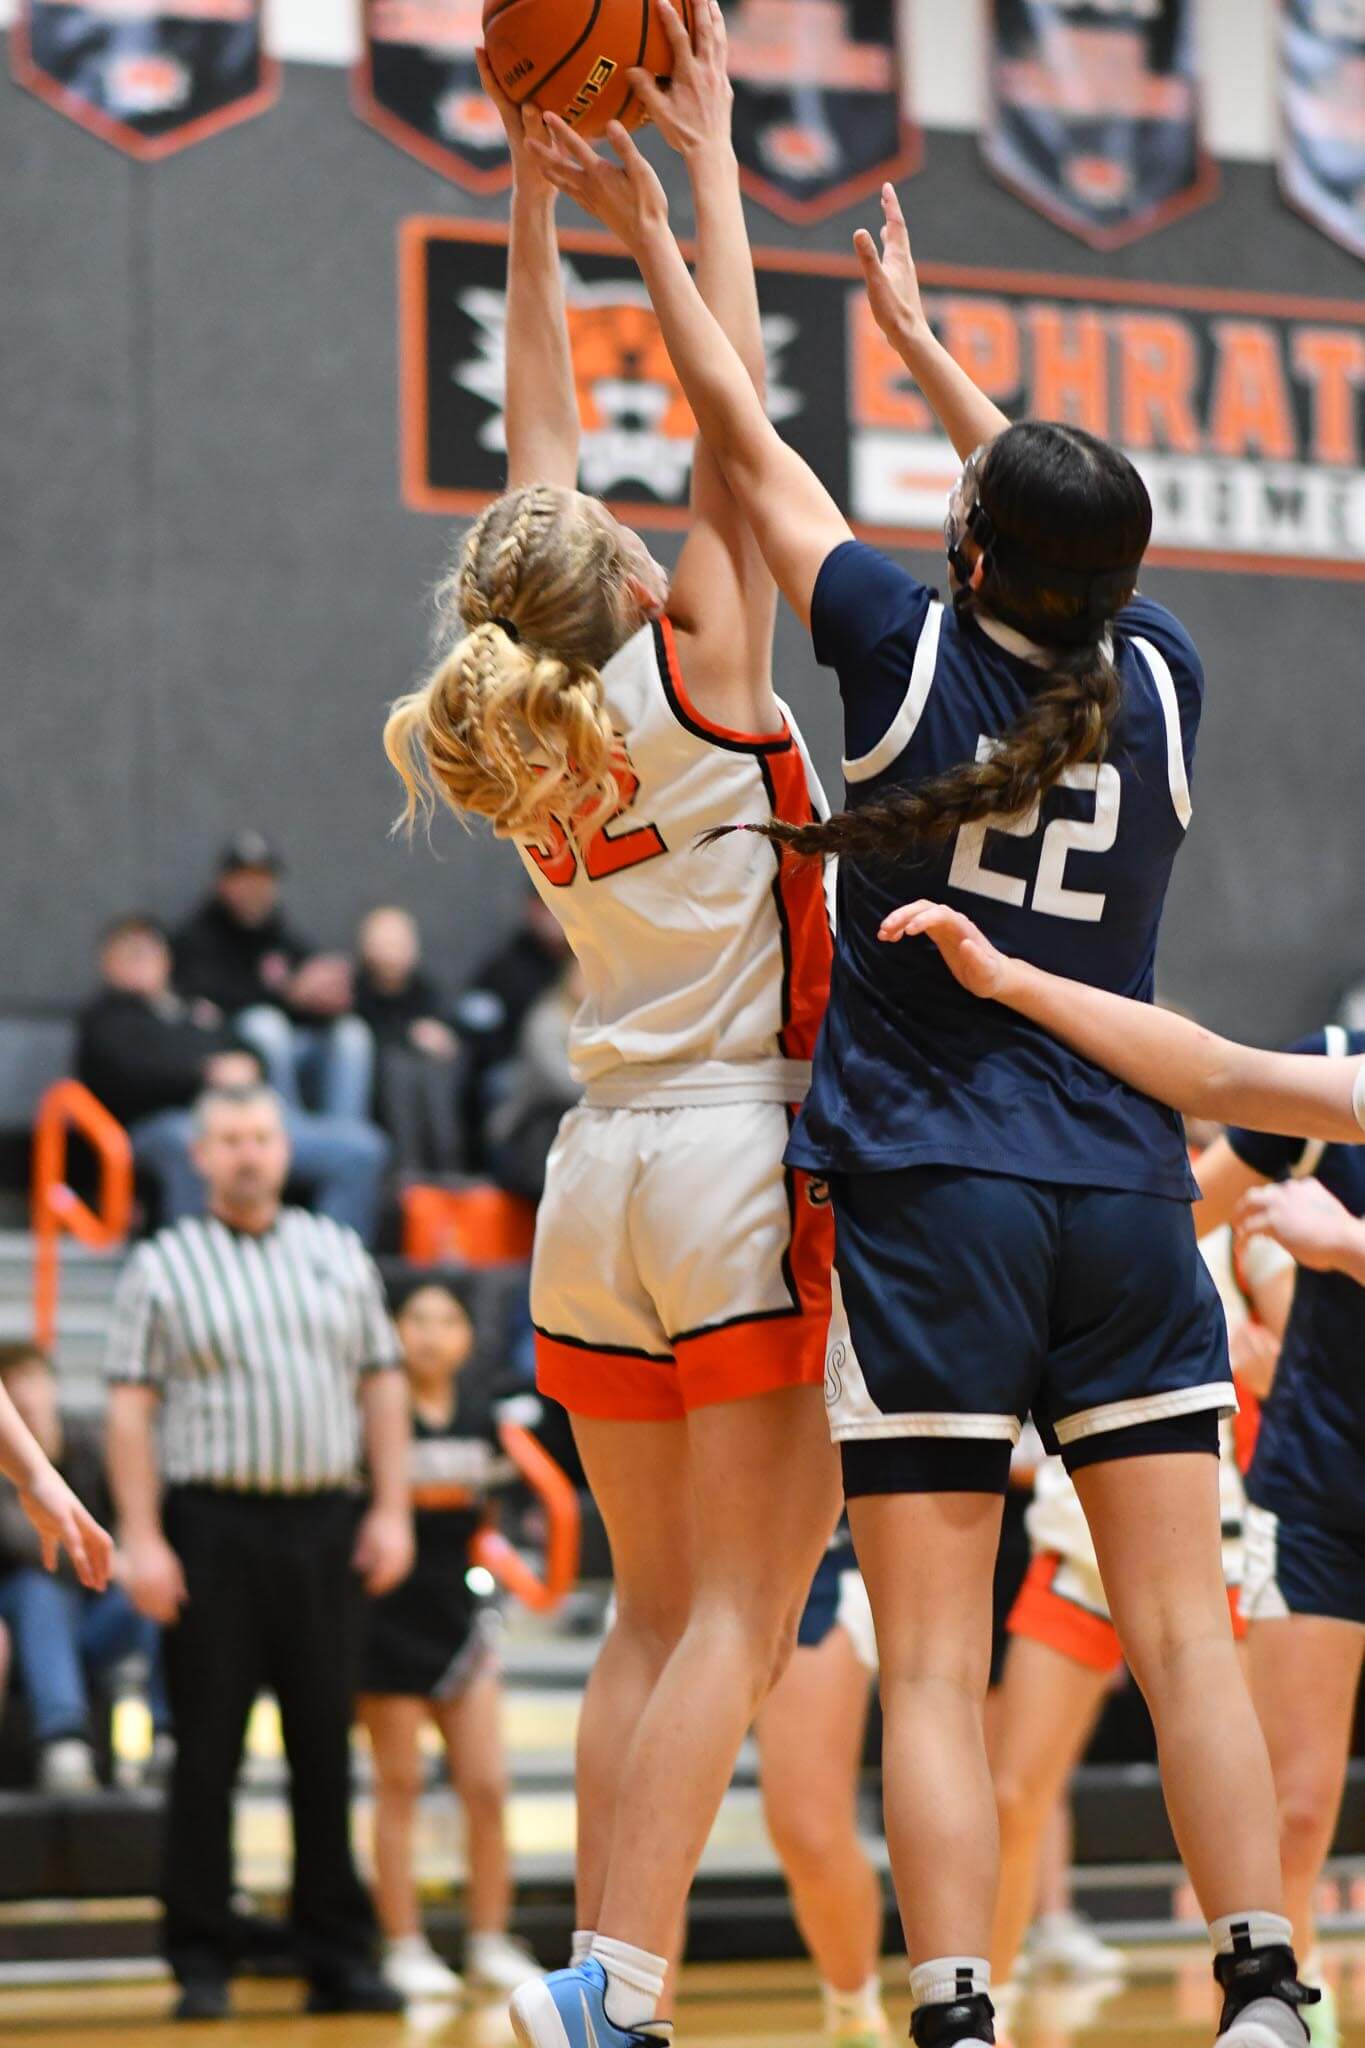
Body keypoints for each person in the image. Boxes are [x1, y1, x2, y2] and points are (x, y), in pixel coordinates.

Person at [532, 102, 1317, 2048]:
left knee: (937, 1665)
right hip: (1127, 1196)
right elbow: (1070, 544)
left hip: (924, 1206)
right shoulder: (1158, 675)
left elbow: (741, 441)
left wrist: (659, 226)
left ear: (965, 549)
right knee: (1181, 1643)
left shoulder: (890, 651)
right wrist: (945, 371)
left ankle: (953, 2009)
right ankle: (1265, 1989)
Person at [385, 16, 841, 2048]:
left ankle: (602, 1995)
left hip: (592, 1178)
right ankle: (616, 1991)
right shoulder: (705, 660)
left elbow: (540, 472)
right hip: (733, 1155)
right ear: (626, 577)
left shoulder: (528, 718)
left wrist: (522, 190)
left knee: (656, 1615)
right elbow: (731, 413)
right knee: (743, 1607)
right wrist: (700, 169)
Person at [104, 1083, 415, 2021]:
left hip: (324, 1524)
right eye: (230, 1140)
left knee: (324, 1745)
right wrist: (143, 1535)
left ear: (286, 1151)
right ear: (198, 1157)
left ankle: (335, 1954)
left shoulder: (336, 1251)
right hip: (209, 1529)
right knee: (207, 1750)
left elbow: (382, 1384)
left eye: (263, 1138)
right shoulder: (161, 1263)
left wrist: (390, 1509)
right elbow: (129, 1405)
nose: (248, 1154)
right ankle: (201, 1955)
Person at [990, 1216, 1292, 1993]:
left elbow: (1307, 1362)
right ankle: (981, 2003)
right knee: (1012, 1793)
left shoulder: (1251, 1207)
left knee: (1264, 1795)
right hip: (1075, 1538)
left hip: (1210, 1538)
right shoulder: (1047, 1193)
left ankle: (1273, 1998)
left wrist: (1265, 1365)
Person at [358, 1279, 546, 2002]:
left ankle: (488, 1940)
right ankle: (403, 1945)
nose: (433, 1334)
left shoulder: (483, 1416)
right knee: (398, 1785)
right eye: (418, 1319)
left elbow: (495, 1512)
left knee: (487, 1788)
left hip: (460, 1618)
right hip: (387, 1616)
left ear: (469, 1338)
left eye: (448, 1321)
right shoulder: (377, 1412)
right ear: (395, 1330)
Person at [79, 914, 391, 1244]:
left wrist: (248, 1064)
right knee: (188, 1141)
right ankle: (196, 1263)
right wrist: (203, 1073)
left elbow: (248, 1050)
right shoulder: (104, 1018)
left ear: (167, 958)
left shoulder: (194, 1009)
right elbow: (121, 1077)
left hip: (241, 1116)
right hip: (157, 1124)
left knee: (361, 1148)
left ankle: (328, 1266)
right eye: (130, 953)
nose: (141, 961)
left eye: (149, 951)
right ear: (107, 962)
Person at [0, 1343, 169, 1794]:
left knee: (157, 1583)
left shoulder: (92, 1442)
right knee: (40, 1589)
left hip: (95, 1622)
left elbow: (139, 1520)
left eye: (32, 1381)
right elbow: (32, 1549)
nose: (26, 1397)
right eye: (12, 1387)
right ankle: (64, 1742)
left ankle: (168, 1736)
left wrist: (134, 1562)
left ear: (53, 1387)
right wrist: (113, 1561)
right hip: (24, 1630)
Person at [755, 1532, 886, 2048]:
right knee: (648, 1838)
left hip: (811, 1563)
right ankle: (630, 2025)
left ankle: (854, 2010)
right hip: (676, 1565)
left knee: (808, 1829)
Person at [174, 833, 375, 1123]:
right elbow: (206, 1003)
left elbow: (308, 982)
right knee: (266, 1024)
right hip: (239, 1052)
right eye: (245, 879)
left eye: (263, 879)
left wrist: (327, 994)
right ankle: (284, 1133)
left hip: (295, 1051)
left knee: (351, 1033)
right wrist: (287, 995)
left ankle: (346, 1135)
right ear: (224, 883)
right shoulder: (197, 937)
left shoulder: (279, 933)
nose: (255, 889)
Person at [454, 888, 573, 1173]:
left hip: (573, 1063)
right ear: (531, 909)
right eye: (546, 906)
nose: (555, 916)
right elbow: (476, 1026)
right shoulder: (505, 966)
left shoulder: (586, 960)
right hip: (517, 1066)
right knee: (505, 1084)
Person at [354, 906, 461, 1175]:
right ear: (366, 948)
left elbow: (451, 1037)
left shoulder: (426, 991)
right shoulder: (354, 992)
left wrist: (443, 1041)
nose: (391, 954)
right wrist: (409, 1036)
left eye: (398, 944)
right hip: (376, 1092)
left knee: (433, 1068)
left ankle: (448, 1165)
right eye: (383, 944)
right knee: (398, 1068)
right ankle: (408, 1169)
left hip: (429, 1087)